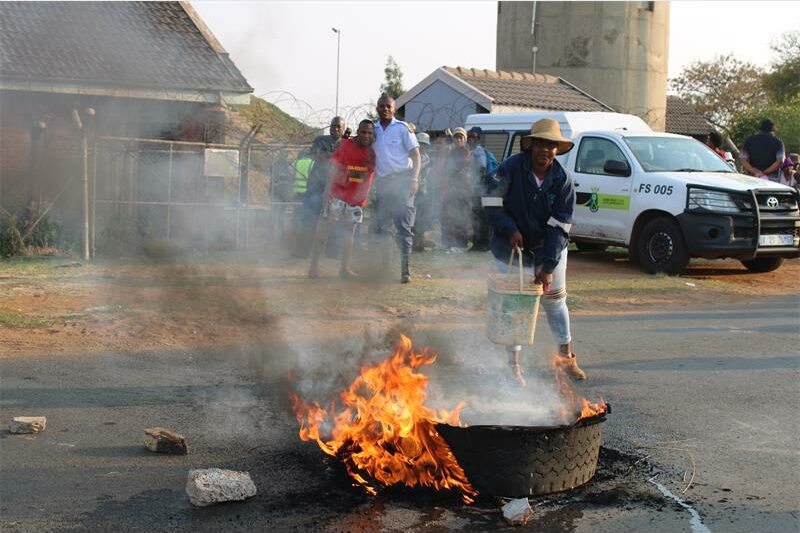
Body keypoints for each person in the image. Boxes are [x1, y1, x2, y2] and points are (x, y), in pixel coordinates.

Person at [482, 118, 586, 383]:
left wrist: (548, 265)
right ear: (530, 146)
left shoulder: (563, 180)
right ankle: (513, 366)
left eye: (551, 145)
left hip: (548, 246)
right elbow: (491, 201)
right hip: (509, 247)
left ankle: (566, 358)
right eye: (540, 143)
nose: (545, 150)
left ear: (557, 149)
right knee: (515, 305)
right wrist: (510, 229)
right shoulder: (510, 167)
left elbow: (560, 226)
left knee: (554, 300)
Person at [309, 120, 376, 279]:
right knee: (323, 230)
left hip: (356, 201)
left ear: (373, 135)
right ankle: (313, 267)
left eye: (369, 133)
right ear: (358, 131)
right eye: (363, 132)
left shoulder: (372, 153)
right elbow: (334, 168)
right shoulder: (346, 145)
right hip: (336, 196)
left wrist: (352, 179)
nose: (366, 135)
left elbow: (368, 175)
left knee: (349, 235)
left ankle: (344, 269)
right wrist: (327, 191)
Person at [370, 95, 421, 284]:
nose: (384, 109)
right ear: (377, 108)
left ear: (394, 108)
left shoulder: (402, 128)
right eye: (381, 106)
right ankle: (385, 267)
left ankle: (405, 270)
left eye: (388, 106)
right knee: (383, 227)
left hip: (403, 182)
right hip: (383, 184)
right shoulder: (373, 130)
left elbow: (416, 155)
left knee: (404, 227)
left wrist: (414, 179)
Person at [295, 116, 345, 256]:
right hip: (316, 186)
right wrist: (337, 155)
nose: (335, 129)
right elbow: (318, 155)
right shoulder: (320, 140)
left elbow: (343, 159)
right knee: (309, 217)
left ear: (343, 129)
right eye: (333, 126)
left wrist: (331, 155)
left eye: (339, 126)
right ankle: (303, 250)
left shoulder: (346, 143)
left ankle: (332, 251)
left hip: (335, 187)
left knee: (334, 219)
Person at [439, 127, 473, 252]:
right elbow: (444, 170)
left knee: (462, 217)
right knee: (448, 216)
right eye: (456, 137)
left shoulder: (467, 153)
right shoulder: (450, 153)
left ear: (465, 139)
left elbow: (465, 169)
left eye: (461, 137)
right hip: (451, 189)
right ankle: (448, 243)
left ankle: (462, 245)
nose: (458, 140)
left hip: (464, 190)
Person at [467, 126, 491, 252]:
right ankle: (479, 243)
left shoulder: (478, 151)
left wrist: (477, 185)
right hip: (478, 190)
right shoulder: (473, 151)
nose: (470, 139)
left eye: (473, 137)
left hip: (480, 191)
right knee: (478, 217)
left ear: (478, 139)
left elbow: (482, 167)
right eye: (469, 136)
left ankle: (481, 244)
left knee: (479, 217)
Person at [412, 132, 436, 251]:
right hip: (412, 191)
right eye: (420, 144)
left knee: (421, 218)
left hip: (423, 191)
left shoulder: (427, 157)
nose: (422, 147)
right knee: (412, 218)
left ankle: (419, 241)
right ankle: (413, 242)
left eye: (425, 145)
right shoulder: (411, 156)